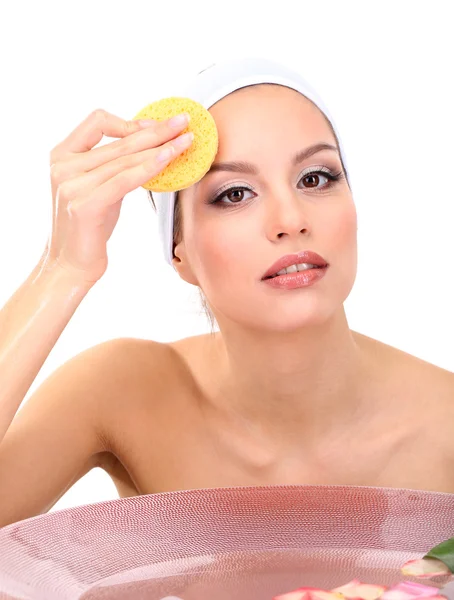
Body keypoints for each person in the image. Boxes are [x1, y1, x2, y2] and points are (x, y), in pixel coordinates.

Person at [0, 57, 453, 530]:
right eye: (234, 194)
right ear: (179, 253)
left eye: (315, 178)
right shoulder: (123, 394)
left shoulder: (446, 423)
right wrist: (62, 269)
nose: (290, 220)